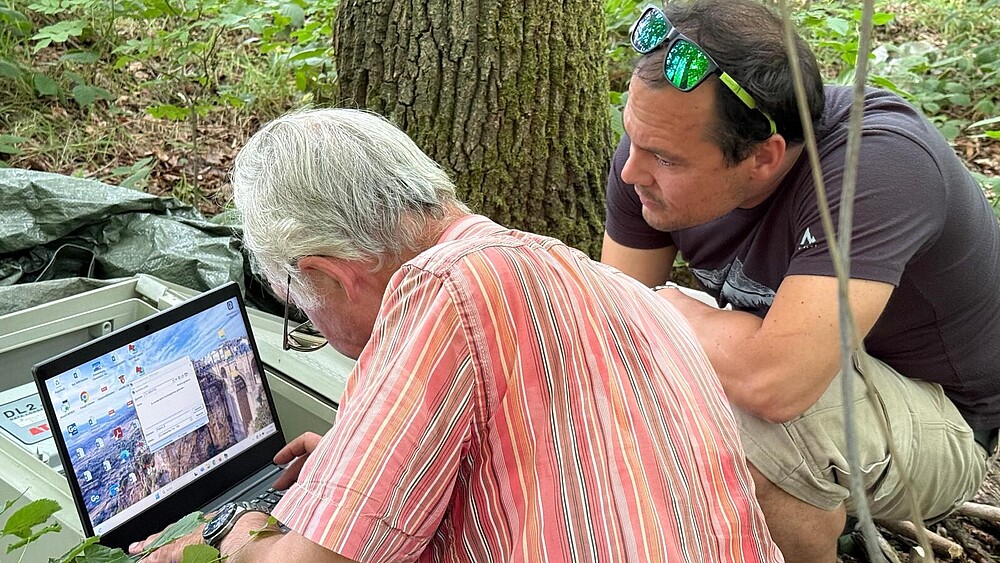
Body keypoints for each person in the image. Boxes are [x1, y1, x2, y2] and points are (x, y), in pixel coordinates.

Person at [129, 108, 782, 562]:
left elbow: (315, 560)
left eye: (295, 303)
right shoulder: (581, 273)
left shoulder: (441, 286)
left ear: (327, 273)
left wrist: (235, 535)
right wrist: (356, 461)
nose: (311, 324)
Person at [601, 1, 1000, 562]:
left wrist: (664, 310)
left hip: (944, 419)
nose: (630, 171)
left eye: (664, 158)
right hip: (795, 360)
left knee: (744, 428)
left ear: (763, 158)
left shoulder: (878, 165)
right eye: (633, 138)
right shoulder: (656, 150)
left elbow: (775, 386)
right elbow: (611, 333)